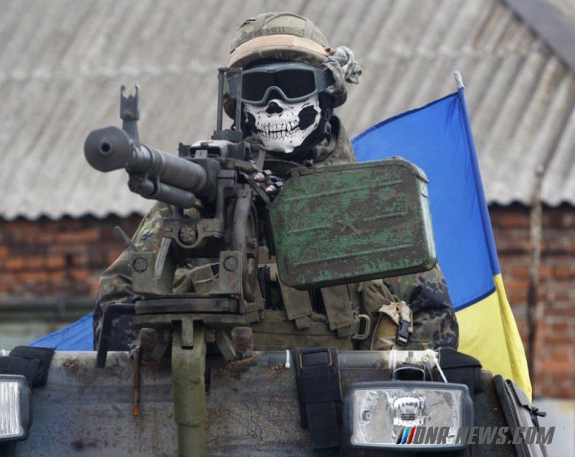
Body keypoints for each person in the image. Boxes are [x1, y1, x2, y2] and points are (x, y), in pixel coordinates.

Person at [93, 11, 458, 353]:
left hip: (351, 394)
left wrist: (388, 379)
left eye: (293, 84)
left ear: (327, 92)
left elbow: (433, 319)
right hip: (218, 394)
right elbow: (116, 310)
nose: (274, 103)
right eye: (257, 88)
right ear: (236, 101)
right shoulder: (195, 204)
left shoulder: (372, 200)